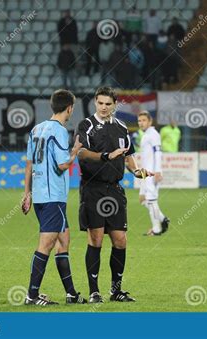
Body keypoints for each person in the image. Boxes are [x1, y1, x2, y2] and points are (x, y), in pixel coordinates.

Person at [76, 87, 153, 303]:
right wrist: (106, 156)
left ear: (114, 105)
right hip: (93, 189)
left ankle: (116, 290)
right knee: (96, 239)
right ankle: (94, 291)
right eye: (100, 103)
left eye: (108, 104)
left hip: (115, 189)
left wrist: (138, 171)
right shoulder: (87, 126)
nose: (103, 107)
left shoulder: (121, 127)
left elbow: (128, 156)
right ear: (95, 102)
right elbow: (81, 153)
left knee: (120, 240)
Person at [22, 90, 86, 306]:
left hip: (41, 195)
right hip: (53, 196)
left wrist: (27, 193)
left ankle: (71, 294)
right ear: (69, 108)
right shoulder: (59, 131)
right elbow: (62, 165)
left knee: (64, 240)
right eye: (72, 109)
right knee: (46, 244)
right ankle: (31, 295)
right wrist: (75, 152)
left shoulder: (36, 129)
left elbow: (29, 163)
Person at [137, 111, 170, 236]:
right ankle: (163, 219)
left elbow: (158, 153)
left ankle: (157, 229)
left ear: (150, 121)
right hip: (145, 173)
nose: (141, 123)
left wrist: (157, 171)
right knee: (142, 200)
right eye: (139, 121)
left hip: (152, 173)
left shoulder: (154, 134)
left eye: (144, 120)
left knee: (151, 200)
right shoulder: (145, 135)